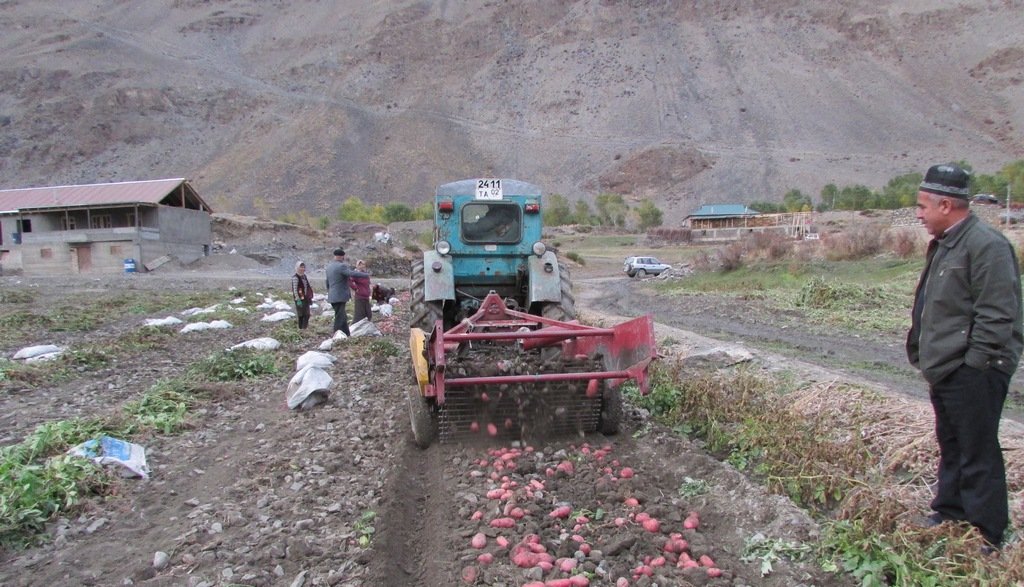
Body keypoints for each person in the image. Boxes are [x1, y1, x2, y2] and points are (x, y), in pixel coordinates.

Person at [907, 163, 1023, 550]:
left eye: (923, 206)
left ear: (945, 205)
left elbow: (997, 314)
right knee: (952, 441)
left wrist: (974, 364)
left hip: (974, 368)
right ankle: (950, 509)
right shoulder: (947, 242)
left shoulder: (986, 246)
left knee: (977, 447)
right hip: (946, 366)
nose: (919, 214)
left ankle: (988, 530)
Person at [325, 248, 370, 336]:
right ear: (342, 256)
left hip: (332, 295)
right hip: (339, 295)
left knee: (341, 315)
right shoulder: (341, 266)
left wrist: (329, 291)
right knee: (340, 316)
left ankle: (346, 333)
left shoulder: (329, 266)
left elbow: (327, 282)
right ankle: (337, 334)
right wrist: (365, 274)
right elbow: (351, 273)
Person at [291, 261, 314, 330]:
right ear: (298, 268)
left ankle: (304, 328)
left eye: (303, 267)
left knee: (307, 314)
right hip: (300, 298)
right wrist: (298, 299)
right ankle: (301, 328)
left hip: (305, 298)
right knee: (301, 314)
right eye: (301, 267)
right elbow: (295, 289)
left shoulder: (304, 277)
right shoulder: (295, 278)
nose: (303, 269)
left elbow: (307, 286)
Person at [350, 259, 372, 323]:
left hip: (366, 296)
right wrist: (355, 289)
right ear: (357, 266)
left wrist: (370, 293)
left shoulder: (365, 274)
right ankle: (354, 329)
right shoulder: (355, 273)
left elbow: (369, 284)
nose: (362, 266)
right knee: (359, 315)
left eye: (363, 264)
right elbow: (350, 281)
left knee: (368, 314)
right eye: (360, 265)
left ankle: (366, 327)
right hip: (359, 296)